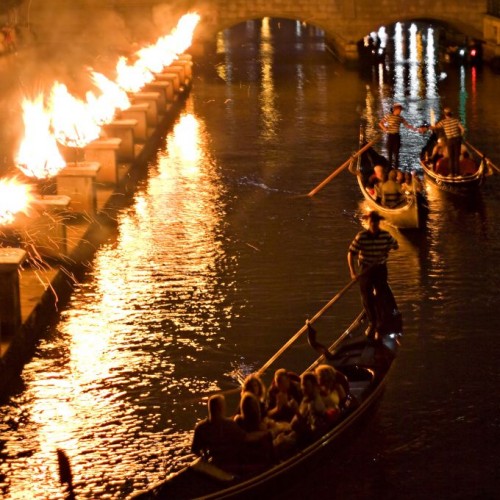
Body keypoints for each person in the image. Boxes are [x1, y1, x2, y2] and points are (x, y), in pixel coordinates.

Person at [347, 211, 399, 338]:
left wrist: (387, 248)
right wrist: (353, 272)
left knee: (381, 294)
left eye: (376, 223)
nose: (374, 225)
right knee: (366, 296)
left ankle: (381, 323)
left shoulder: (385, 235)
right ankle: (372, 321)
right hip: (366, 268)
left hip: (380, 268)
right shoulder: (361, 236)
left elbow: (396, 246)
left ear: (378, 223)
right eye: (372, 222)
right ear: (368, 223)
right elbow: (350, 253)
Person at [191, 394, 271, 469]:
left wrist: (205, 459)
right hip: (231, 464)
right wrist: (266, 433)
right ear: (221, 408)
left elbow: (195, 449)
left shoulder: (200, 427)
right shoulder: (229, 425)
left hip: (214, 462)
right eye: (224, 405)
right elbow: (247, 438)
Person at [378, 103, 420, 169]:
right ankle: (389, 168)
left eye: (400, 110)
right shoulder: (388, 116)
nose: (400, 111)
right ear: (396, 110)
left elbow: (407, 125)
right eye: (400, 110)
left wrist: (415, 129)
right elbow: (380, 123)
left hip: (397, 137)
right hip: (390, 136)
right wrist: (384, 128)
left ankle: (396, 168)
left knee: (396, 154)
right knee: (390, 154)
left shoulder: (400, 118)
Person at [430, 108, 465, 176]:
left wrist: (432, 126)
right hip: (457, 140)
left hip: (450, 141)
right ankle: (457, 174)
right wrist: (460, 136)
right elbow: (463, 130)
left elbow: (435, 127)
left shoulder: (443, 122)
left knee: (451, 158)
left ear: (445, 115)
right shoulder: (456, 120)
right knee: (456, 158)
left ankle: (452, 173)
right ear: (451, 114)